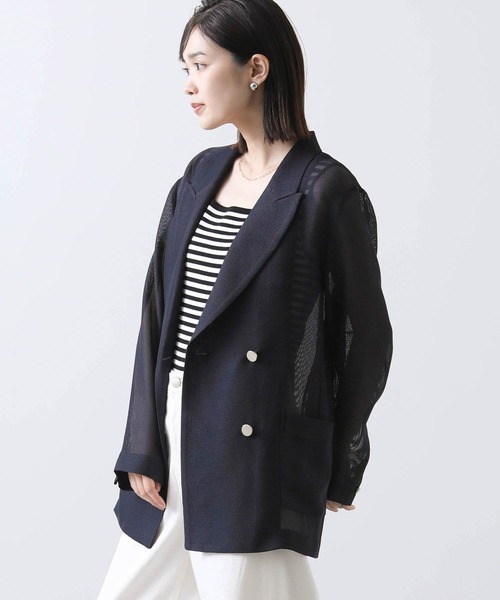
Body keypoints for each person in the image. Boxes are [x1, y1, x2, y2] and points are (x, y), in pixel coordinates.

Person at [97, 0, 393, 598]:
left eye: (201, 65)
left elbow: (364, 339)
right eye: (185, 68)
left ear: (255, 69)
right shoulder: (199, 177)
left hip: (254, 448)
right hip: (173, 432)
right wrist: (141, 443)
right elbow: (157, 319)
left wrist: (335, 458)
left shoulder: (324, 191)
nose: (189, 85)